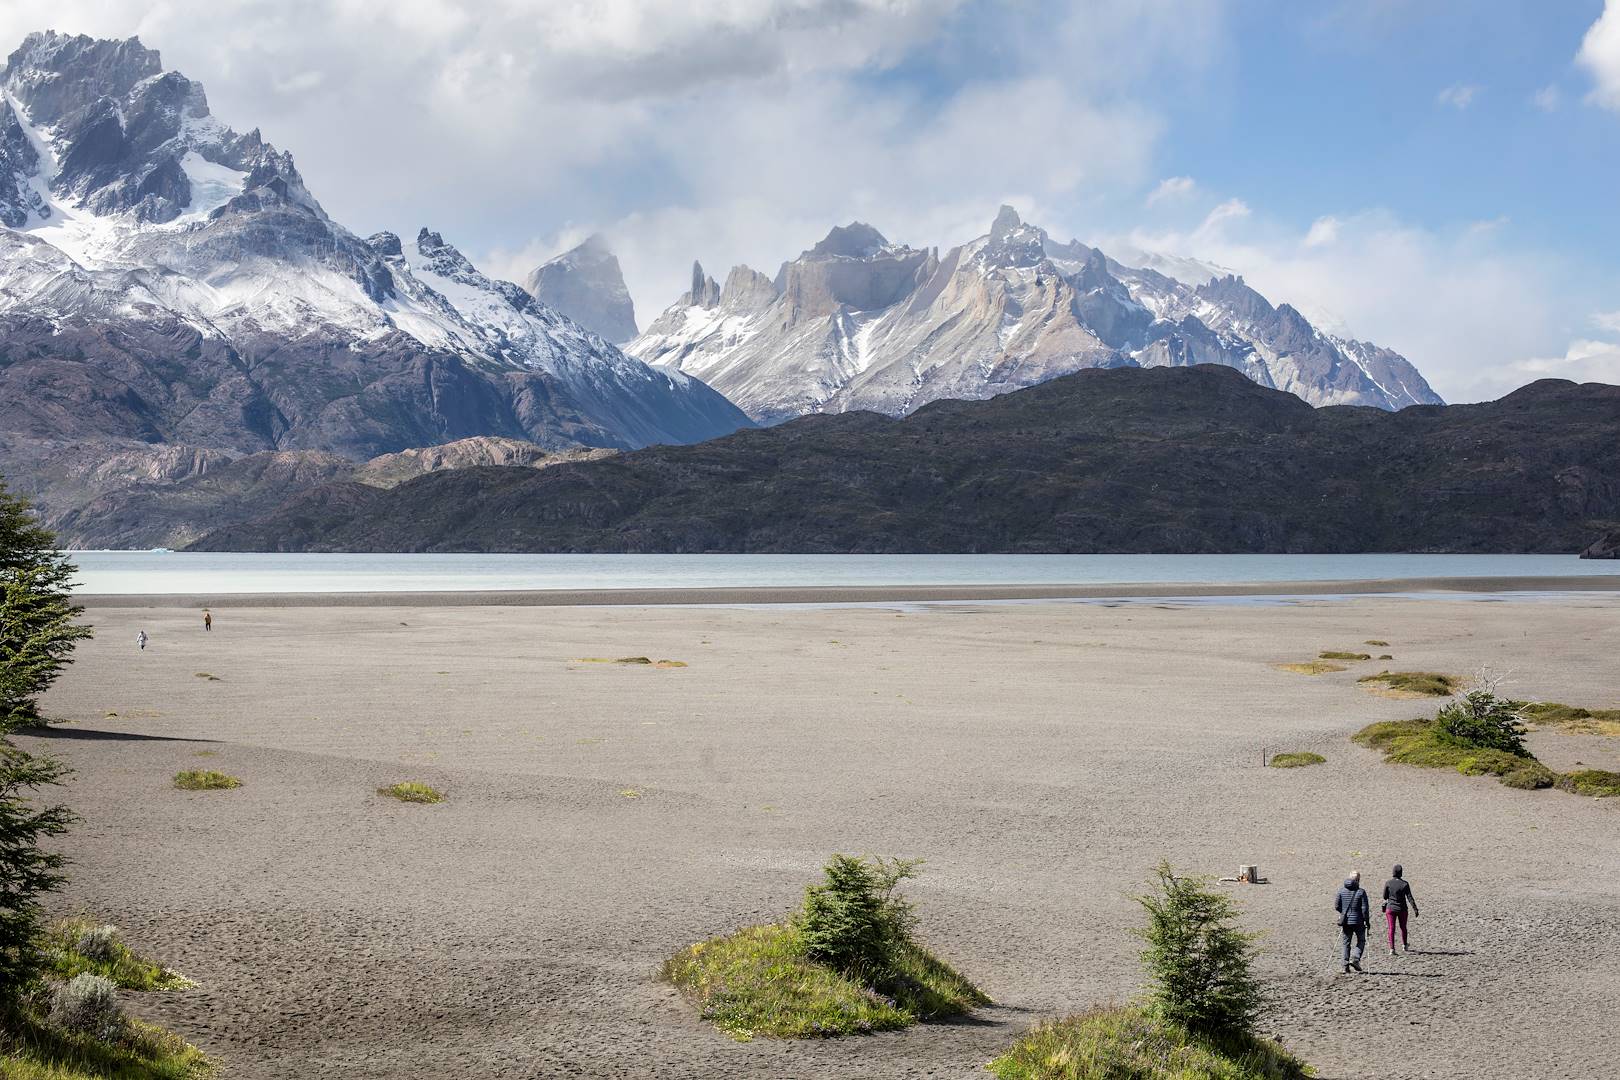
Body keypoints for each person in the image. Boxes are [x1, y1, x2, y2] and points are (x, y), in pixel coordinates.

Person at [1335, 870, 1371, 973]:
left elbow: (1337, 905)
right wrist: (1367, 922)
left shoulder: (1341, 890)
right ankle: (1355, 958)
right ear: (1358, 880)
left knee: (1346, 943)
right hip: (1358, 921)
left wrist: (1343, 912)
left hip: (1346, 921)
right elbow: (1365, 909)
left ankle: (1345, 964)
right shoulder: (1361, 892)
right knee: (1361, 940)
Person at [1383, 864, 1419, 955]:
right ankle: (1404, 945)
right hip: (1402, 909)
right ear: (1401, 873)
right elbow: (1410, 897)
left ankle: (1392, 949)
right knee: (1403, 927)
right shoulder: (1405, 884)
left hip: (1390, 908)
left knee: (1391, 928)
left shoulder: (1388, 883)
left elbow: (1384, 896)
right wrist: (1415, 908)